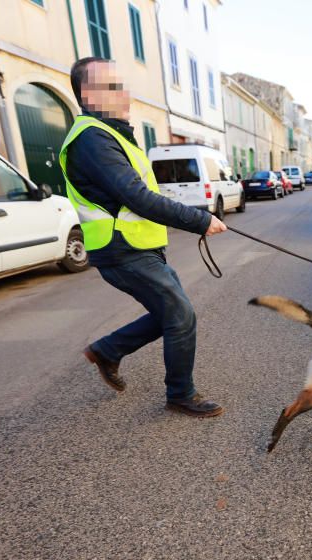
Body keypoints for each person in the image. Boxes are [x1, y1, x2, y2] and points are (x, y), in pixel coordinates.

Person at [59, 57, 227, 417]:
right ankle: (181, 394)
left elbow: (141, 194)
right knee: (180, 314)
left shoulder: (111, 134)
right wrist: (199, 220)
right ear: (90, 93)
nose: (126, 94)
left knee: (171, 313)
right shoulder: (92, 139)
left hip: (138, 246)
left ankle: (107, 351)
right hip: (121, 249)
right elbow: (137, 197)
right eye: (115, 87)